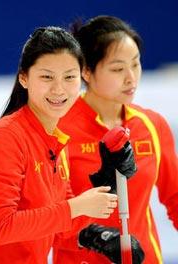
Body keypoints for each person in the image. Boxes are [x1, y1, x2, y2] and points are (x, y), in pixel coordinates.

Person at [0, 26, 123, 264]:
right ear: (24, 78)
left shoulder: (57, 141)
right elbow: (3, 227)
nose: (59, 89)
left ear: (82, 78)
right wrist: (76, 206)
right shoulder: (6, 138)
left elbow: (59, 232)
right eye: (47, 77)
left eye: (69, 77)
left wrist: (99, 231)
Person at [53, 15, 178, 264]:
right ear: (86, 71)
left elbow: (175, 197)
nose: (131, 77)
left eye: (136, 64)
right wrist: (97, 237)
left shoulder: (152, 125)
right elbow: (43, 219)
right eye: (118, 69)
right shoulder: (57, 130)